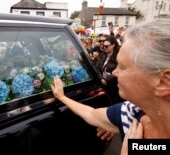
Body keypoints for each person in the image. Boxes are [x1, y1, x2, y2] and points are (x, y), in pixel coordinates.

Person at [51, 19, 170, 154]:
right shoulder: (130, 113)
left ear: (164, 82)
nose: (114, 72)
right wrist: (61, 96)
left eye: (123, 67)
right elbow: (90, 114)